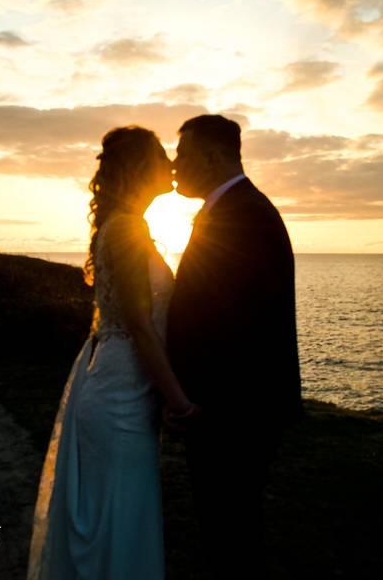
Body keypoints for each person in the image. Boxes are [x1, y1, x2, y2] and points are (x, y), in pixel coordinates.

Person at [28, 126, 199, 580]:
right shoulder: (125, 230)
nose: (172, 165)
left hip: (124, 385)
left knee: (121, 513)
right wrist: (177, 399)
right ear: (142, 168)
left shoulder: (125, 225)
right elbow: (141, 327)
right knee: (118, 514)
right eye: (163, 158)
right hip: (119, 396)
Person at [166, 114, 302, 577]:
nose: (173, 165)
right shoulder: (232, 210)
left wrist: (189, 399)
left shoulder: (243, 216)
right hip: (228, 408)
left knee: (231, 529)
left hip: (234, 412)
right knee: (225, 526)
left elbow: (233, 324)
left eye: (181, 154)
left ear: (212, 156)